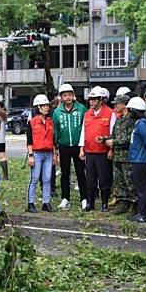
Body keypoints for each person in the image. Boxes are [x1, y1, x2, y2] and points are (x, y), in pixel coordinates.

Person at [79, 86, 115, 212]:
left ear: (101, 100)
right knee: (90, 179)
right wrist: (81, 149)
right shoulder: (87, 114)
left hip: (103, 152)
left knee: (104, 179)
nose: (91, 102)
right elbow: (83, 132)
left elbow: (113, 133)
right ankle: (90, 203)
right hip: (89, 152)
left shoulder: (110, 113)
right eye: (90, 99)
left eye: (94, 99)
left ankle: (104, 204)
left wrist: (111, 150)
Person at [53, 83, 87, 211]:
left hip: (78, 146)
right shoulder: (57, 112)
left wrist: (83, 145)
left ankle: (84, 198)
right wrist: (56, 147)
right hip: (64, 146)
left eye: (69, 95)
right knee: (64, 173)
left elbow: (85, 127)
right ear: (61, 97)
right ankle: (65, 198)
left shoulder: (82, 109)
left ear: (73, 96)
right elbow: (55, 130)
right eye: (65, 95)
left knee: (80, 172)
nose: (67, 97)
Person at [106, 94, 136, 215]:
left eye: (116, 104)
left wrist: (114, 141)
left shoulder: (131, 119)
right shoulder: (119, 120)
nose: (114, 106)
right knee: (119, 181)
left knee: (129, 180)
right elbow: (114, 134)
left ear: (124, 105)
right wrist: (105, 139)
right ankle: (123, 202)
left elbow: (130, 138)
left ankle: (134, 204)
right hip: (117, 155)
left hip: (127, 155)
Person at [127, 97, 146, 223]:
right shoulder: (140, 123)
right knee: (140, 188)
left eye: (130, 110)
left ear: (135, 110)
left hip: (140, 160)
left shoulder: (142, 124)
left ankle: (143, 214)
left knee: (142, 189)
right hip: (138, 159)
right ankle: (141, 212)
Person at [27, 94, 55, 213]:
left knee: (47, 179)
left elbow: (53, 139)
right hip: (37, 153)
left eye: (47, 105)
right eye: (44, 106)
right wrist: (30, 155)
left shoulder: (50, 121)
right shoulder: (32, 122)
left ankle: (46, 202)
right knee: (34, 178)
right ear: (38, 107)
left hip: (48, 153)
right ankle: (30, 203)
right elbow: (29, 141)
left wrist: (55, 154)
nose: (46, 108)